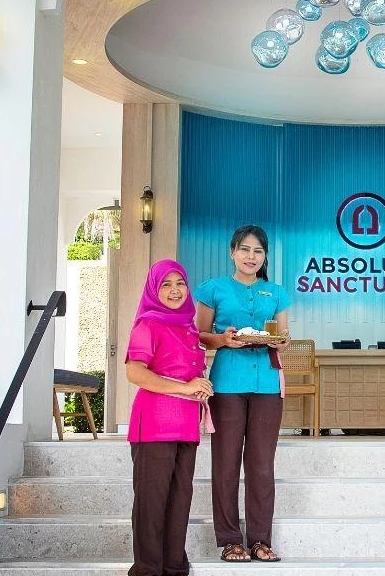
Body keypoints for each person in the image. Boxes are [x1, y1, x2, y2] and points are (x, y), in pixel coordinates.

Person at [194, 225, 293, 563]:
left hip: (267, 382)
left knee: (262, 464)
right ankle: (230, 540)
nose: (252, 257)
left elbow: (283, 333)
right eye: (245, 250)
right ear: (232, 252)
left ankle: (260, 540)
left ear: (264, 257)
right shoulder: (213, 289)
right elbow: (199, 334)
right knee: (225, 462)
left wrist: (282, 341)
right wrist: (223, 339)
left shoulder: (276, 292)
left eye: (258, 252)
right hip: (227, 384)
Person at [123, 259, 215, 576]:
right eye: (166, 284)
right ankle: (148, 569)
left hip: (186, 426)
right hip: (154, 426)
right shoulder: (147, 324)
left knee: (179, 502)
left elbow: (187, 372)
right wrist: (186, 387)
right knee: (151, 504)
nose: (175, 290)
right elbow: (135, 373)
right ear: (153, 289)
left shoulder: (188, 326)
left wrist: (198, 388)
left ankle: (175, 567)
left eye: (180, 283)